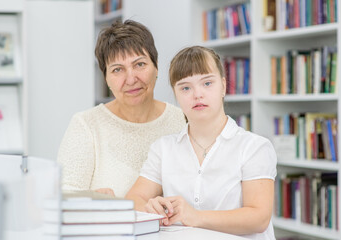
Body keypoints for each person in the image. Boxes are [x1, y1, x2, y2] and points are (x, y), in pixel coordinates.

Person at [126, 46, 277, 240]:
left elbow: (259, 218)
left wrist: (195, 216)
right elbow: (133, 199)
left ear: (223, 86)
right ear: (176, 95)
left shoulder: (254, 147)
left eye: (207, 83)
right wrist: (149, 207)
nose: (197, 94)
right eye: (185, 87)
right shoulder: (163, 149)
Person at [57, 20, 186, 197]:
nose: (131, 79)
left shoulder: (183, 121)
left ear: (156, 67)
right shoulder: (86, 125)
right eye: (118, 70)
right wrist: (91, 198)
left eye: (139, 64)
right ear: (106, 79)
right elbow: (64, 194)